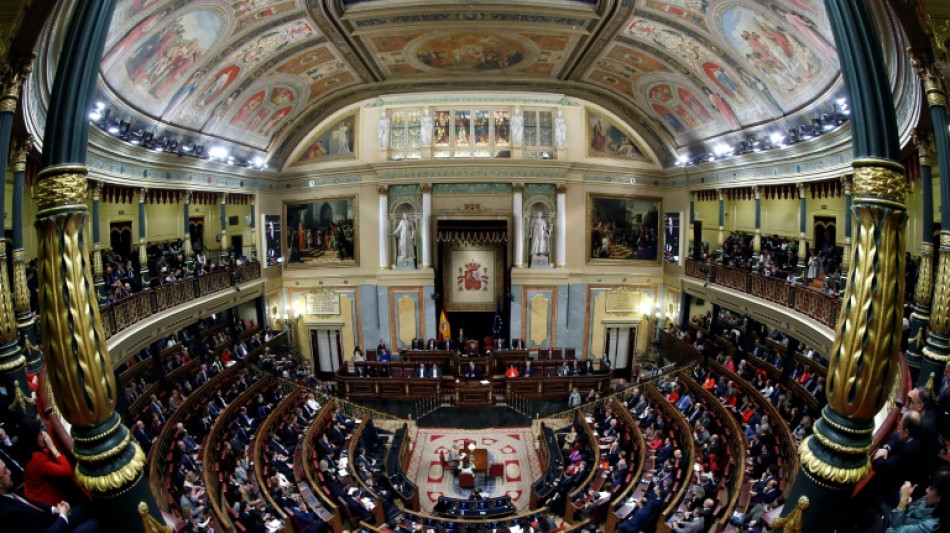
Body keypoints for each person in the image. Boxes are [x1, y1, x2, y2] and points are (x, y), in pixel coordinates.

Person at [0, 458, 102, 533]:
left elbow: (31, 503)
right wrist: (63, 516)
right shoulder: (8, 513)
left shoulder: (8, 489)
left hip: (50, 521)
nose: (10, 472)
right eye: (5, 471)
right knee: (96, 525)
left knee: (86, 509)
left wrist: (54, 509)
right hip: (51, 529)